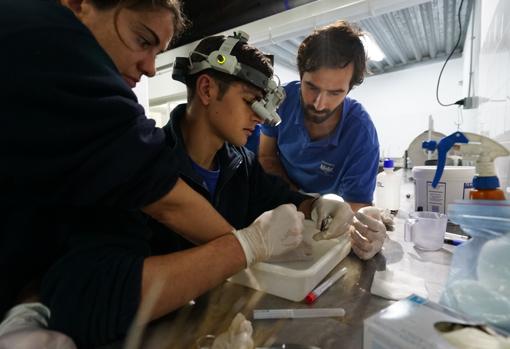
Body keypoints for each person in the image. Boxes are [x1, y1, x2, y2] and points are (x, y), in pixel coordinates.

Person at [0, 1, 306, 347]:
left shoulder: (241, 165)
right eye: (142, 39)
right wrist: (246, 246)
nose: (148, 68)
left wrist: (323, 206)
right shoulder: (126, 162)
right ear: (206, 90)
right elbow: (90, 294)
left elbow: (287, 202)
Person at [257, 21, 387, 260]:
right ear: (300, 75)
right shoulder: (281, 102)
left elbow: (356, 205)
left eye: (335, 93)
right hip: (282, 203)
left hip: (325, 224)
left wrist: (363, 227)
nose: (319, 103)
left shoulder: (361, 132)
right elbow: (265, 156)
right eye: (311, 87)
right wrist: (300, 200)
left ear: (350, 88)